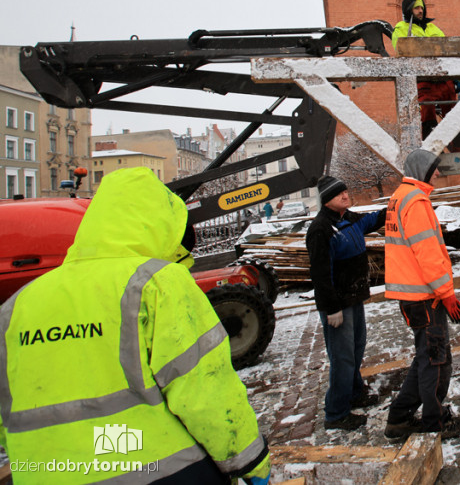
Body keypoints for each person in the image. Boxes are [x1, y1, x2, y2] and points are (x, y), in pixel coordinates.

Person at [0, 167, 271, 485]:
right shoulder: (157, 284)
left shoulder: (17, 305)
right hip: (159, 470)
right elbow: (205, 391)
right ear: (161, 223)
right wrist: (249, 461)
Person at [382, 149, 460, 442]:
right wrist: (446, 293)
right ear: (422, 170)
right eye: (434, 169)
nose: (438, 174)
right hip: (425, 297)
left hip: (414, 296)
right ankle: (434, 423)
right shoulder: (416, 202)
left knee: (426, 358)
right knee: (435, 361)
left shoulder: (399, 197)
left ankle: (399, 417)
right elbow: (428, 253)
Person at [305, 175, 386, 431]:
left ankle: (354, 392)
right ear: (327, 200)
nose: (345, 195)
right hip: (338, 304)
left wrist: (395, 206)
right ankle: (336, 412)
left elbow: (373, 220)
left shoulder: (349, 220)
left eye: (345, 191)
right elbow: (320, 274)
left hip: (355, 297)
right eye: (339, 193)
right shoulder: (321, 229)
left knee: (356, 348)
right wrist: (331, 308)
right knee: (342, 358)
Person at [392, 0, 460, 152]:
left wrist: (455, 77)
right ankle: (432, 150)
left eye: (421, 8)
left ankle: (459, 150)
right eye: (416, 8)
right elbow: (400, 53)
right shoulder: (401, 29)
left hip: (443, 78)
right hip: (423, 80)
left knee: (453, 113)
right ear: (408, 10)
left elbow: (448, 51)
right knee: (427, 112)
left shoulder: (433, 28)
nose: (420, 11)